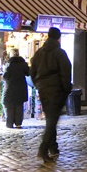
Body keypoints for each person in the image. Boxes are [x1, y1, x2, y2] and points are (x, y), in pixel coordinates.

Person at [30, 26, 73, 163]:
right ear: (58, 38)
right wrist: (66, 88)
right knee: (52, 120)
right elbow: (66, 72)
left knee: (50, 119)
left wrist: (38, 84)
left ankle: (53, 148)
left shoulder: (39, 53)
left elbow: (32, 71)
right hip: (56, 89)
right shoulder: (60, 53)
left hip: (43, 89)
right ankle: (43, 149)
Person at [2, 49, 30, 129]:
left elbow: (5, 76)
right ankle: (18, 123)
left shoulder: (9, 63)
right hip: (21, 88)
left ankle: (9, 124)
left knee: (9, 105)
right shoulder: (23, 63)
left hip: (10, 88)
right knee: (19, 105)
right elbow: (28, 73)